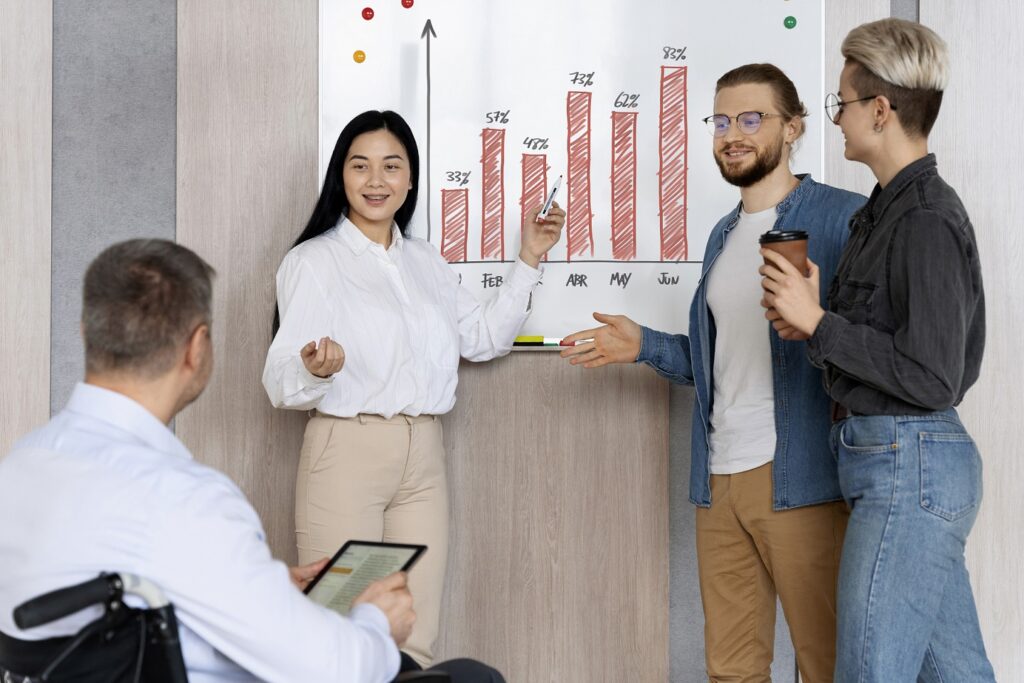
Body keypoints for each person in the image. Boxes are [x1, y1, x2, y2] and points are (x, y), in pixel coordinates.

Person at [0, 239, 504, 683]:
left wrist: (258, 584)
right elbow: (334, 671)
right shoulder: (189, 500)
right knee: (472, 676)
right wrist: (374, 622)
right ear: (197, 348)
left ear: (85, 332)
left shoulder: (20, 468)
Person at [560, 64, 864, 681]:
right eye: (722, 120)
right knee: (730, 669)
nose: (734, 133)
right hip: (717, 480)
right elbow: (720, 365)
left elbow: (869, 345)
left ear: (795, 127)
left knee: (828, 664)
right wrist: (644, 344)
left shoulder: (845, 218)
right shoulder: (723, 235)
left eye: (752, 118)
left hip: (801, 476)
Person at [262, 110, 564, 668]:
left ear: (409, 180)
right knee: (343, 633)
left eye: (390, 166)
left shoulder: (426, 261)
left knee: (415, 636)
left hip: (423, 454)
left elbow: (484, 339)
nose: (375, 180)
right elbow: (279, 380)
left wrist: (531, 256)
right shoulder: (313, 261)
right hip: (347, 453)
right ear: (341, 176)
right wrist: (314, 369)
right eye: (360, 166)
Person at [761, 19, 995, 682]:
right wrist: (813, 320)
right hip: (898, 463)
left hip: (909, 467)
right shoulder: (881, 211)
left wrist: (821, 322)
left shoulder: (924, 217)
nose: (834, 119)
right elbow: (888, 353)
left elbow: (934, 374)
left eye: (841, 103)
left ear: (881, 110)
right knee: (957, 675)